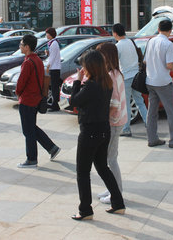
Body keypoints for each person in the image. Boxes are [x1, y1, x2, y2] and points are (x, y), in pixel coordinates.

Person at [69, 50, 126, 221]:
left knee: (82, 172)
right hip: (103, 130)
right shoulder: (106, 81)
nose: (83, 69)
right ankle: (118, 203)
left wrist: (77, 81)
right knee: (102, 167)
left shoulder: (92, 85)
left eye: (85, 66)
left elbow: (73, 101)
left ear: (91, 67)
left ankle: (85, 210)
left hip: (90, 132)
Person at [15, 34, 60, 168]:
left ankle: (32, 159)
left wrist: (18, 93)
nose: (20, 46)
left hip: (27, 100)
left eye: (21, 44)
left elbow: (21, 83)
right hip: (36, 99)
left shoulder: (28, 62)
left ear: (27, 47)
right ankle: (52, 148)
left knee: (28, 131)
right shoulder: (38, 60)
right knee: (31, 128)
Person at [144, 20, 173, 148]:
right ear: (170, 30)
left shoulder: (150, 41)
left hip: (150, 81)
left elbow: (145, 61)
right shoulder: (168, 44)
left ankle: (152, 139)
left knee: (151, 112)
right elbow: (169, 65)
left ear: (158, 29)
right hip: (163, 82)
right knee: (172, 112)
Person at [96, 43, 128, 205]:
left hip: (114, 123)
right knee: (110, 158)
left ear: (106, 56)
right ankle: (112, 189)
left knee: (111, 159)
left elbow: (114, 103)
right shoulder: (116, 73)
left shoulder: (111, 76)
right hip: (118, 121)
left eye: (100, 55)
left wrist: (105, 121)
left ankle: (117, 193)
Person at [112, 23, 147, 137]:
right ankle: (149, 124)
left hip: (126, 78)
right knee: (140, 101)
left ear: (115, 33)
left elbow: (115, 63)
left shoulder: (118, 46)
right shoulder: (132, 42)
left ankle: (126, 129)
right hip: (136, 76)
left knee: (125, 104)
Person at [45, 27, 61, 112]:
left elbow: (53, 57)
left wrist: (48, 66)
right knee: (54, 87)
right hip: (54, 67)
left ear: (51, 34)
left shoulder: (54, 43)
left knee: (55, 87)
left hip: (54, 68)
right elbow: (52, 55)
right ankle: (55, 104)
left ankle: (55, 105)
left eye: (47, 33)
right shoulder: (52, 43)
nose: (46, 35)